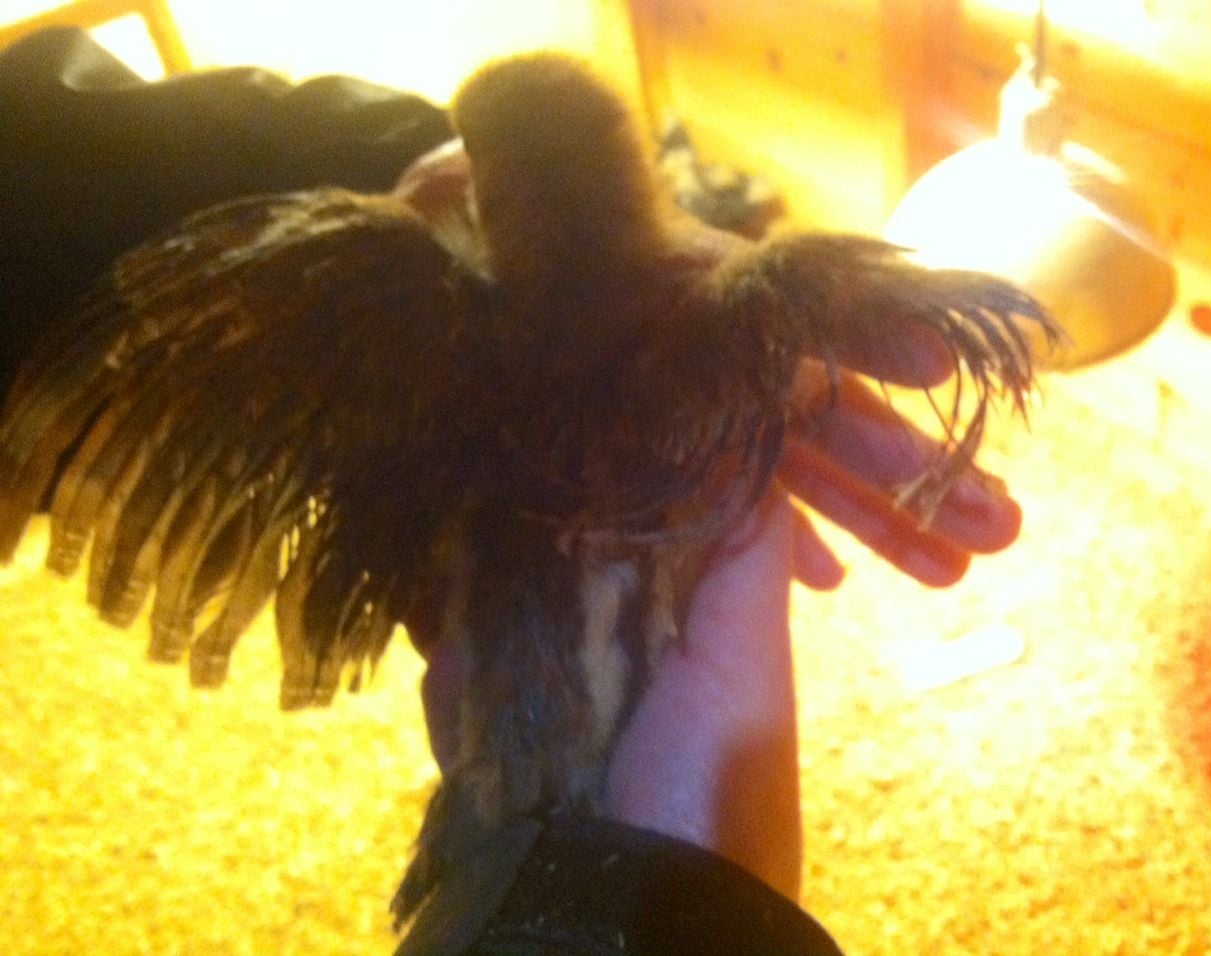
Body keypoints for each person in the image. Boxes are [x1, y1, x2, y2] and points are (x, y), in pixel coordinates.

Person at [0, 27, 1024, 954]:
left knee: (504, 800)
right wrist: (680, 899)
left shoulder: (416, 317)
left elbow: (53, 149)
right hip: (554, 682)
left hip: (506, 695)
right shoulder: (722, 327)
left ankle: (504, 846)